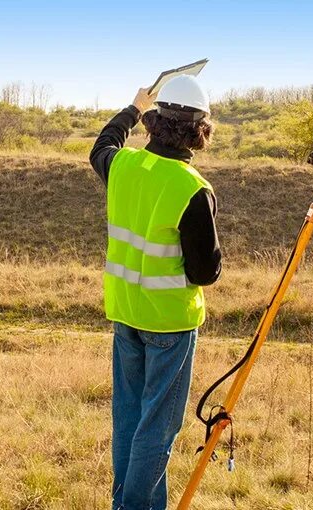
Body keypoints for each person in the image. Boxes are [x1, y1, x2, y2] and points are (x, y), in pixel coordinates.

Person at [89, 75, 222, 510]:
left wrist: (133, 106)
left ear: (154, 122)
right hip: (169, 323)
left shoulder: (123, 166)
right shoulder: (192, 188)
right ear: (200, 130)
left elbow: (102, 145)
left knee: (129, 420)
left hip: (125, 313)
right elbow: (205, 272)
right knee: (156, 430)